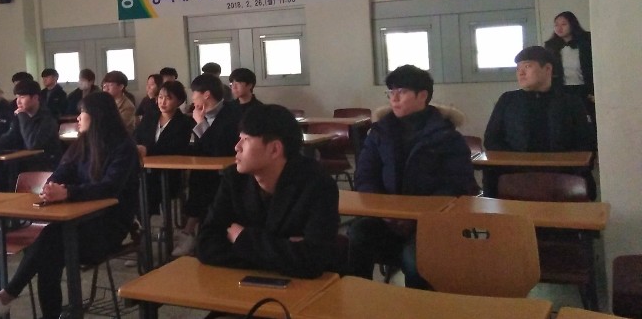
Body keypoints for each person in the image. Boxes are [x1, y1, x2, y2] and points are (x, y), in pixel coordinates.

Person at [0, 92, 140, 319]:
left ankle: (7, 296)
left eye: (82, 113)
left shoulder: (124, 148)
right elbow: (61, 172)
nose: (78, 118)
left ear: (97, 116)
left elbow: (109, 188)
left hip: (108, 226)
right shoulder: (82, 144)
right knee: (50, 252)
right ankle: (22, 303)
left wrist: (68, 192)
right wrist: (51, 186)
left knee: (50, 242)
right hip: (76, 224)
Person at [346, 65, 475, 289]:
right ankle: (359, 299)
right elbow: (365, 176)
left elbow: (457, 185)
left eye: (402, 92)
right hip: (385, 219)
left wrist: (415, 217)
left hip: (431, 223)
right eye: (390, 93)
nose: (394, 99)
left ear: (422, 95)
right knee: (357, 234)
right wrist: (385, 213)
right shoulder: (379, 132)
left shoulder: (448, 137)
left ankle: (419, 306)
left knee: (414, 260)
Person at [197, 104, 340, 277]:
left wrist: (243, 239)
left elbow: (313, 260)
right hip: (245, 285)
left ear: (274, 149)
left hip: (306, 290)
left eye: (246, 139)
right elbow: (206, 246)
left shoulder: (317, 184)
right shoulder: (234, 179)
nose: (237, 147)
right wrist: (283, 250)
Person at [483, 45, 596, 196]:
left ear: (547, 69)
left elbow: (586, 142)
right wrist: (516, 163)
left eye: (527, 66)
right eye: (518, 69)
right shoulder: (508, 100)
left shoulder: (570, 102)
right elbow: (491, 139)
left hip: (562, 175)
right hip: (515, 173)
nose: (521, 73)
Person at [172, 73, 242, 257]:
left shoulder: (231, 114)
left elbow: (219, 148)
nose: (192, 97)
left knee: (205, 184)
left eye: (194, 93)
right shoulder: (195, 113)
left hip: (228, 170)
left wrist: (201, 124)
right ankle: (190, 233)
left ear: (206, 94)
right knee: (198, 179)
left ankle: (191, 233)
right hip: (204, 170)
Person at [0, 80, 62, 187]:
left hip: (44, 165)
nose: (18, 101)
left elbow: (32, 144)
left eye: (22, 97)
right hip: (23, 163)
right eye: (17, 97)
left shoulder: (47, 119)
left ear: (35, 98)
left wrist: (22, 116)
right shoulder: (20, 116)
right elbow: (11, 136)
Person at [133, 80, 193, 214]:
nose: (162, 102)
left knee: (147, 190)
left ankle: (144, 220)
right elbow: (136, 136)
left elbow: (175, 148)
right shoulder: (150, 116)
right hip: (145, 168)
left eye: (168, 98)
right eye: (160, 97)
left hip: (168, 172)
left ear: (179, 101)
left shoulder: (184, 122)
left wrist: (147, 150)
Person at [544, 11, 595, 124]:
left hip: (584, 89)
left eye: (563, 24)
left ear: (572, 24)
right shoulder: (551, 46)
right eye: (556, 25)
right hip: (562, 90)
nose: (559, 28)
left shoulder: (587, 42)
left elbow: (592, 67)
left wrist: (593, 90)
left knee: (587, 121)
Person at [102, 70, 137, 135]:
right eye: (105, 85)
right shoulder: (104, 101)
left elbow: (116, 127)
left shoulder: (128, 106)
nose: (106, 88)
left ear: (121, 87)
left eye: (110, 85)